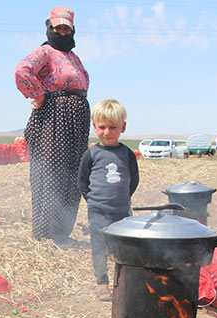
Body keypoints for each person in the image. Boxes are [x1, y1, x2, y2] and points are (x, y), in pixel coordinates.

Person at [15, 6, 90, 244]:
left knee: (73, 174)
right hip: (53, 119)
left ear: (72, 30)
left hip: (75, 121)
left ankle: (62, 231)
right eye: (58, 27)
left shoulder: (73, 57)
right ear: (49, 27)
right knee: (52, 173)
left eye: (66, 27)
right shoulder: (45, 52)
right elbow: (22, 71)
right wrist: (38, 95)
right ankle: (47, 233)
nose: (62, 31)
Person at [77, 100, 139, 301]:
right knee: (99, 246)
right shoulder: (92, 153)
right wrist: (93, 200)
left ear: (123, 127)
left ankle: (121, 282)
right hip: (98, 210)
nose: (107, 132)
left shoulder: (127, 154)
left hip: (121, 210)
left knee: (123, 246)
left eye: (113, 127)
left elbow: (133, 179)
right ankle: (102, 283)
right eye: (102, 127)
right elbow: (82, 180)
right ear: (94, 127)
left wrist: (123, 198)